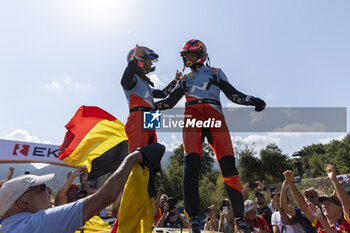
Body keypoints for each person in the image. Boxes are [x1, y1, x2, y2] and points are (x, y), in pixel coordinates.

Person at [155, 39, 266, 233]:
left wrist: (254, 100)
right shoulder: (185, 78)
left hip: (215, 116)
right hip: (192, 117)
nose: (188, 58)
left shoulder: (215, 72)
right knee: (190, 169)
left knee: (229, 169)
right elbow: (169, 102)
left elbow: (233, 95)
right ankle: (195, 219)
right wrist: (146, 107)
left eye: (191, 54)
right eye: (185, 56)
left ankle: (239, 218)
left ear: (201, 54)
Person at [0, 143, 165, 233]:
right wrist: (133, 157)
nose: (49, 190)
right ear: (23, 202)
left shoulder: (8, 227)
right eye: (42, 187)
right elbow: (105, 196)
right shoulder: (38, 224)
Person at [121, 45, 182, 153]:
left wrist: (175, 80)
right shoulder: (133, 78)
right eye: (149, 60)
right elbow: (124, 82)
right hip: (138, 116)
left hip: (151, 117)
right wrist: (135, 57)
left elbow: (163, 94)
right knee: (137, 155)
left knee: (151, 157)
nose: (151, 64)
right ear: (140, 60)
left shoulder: (146, 85)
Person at [283, 164, 350, 232]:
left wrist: (334, 180)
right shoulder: (321, 225)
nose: (324, 206)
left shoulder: (346, 223)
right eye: (323, 203)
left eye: (329, 204)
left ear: (340, 209)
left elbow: (346, 204)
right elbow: (303, 205)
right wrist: (291, 184)